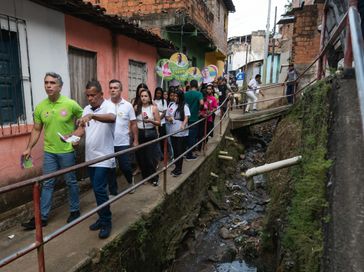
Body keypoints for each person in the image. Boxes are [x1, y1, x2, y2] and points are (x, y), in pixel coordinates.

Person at [21, 72, 83, 230]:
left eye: (52, 83)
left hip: (67, 150)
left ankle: (75, 210)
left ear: (60, 86)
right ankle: (42, 218)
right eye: (46, 82)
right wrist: (29, 147)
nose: (48, 86)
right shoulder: (41, 106)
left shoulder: (70, 104)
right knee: (47, 183)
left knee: (71, 181)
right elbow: (36, 130)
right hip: (49, 152)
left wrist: (76, 135)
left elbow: (84, 120)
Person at [76, 80, 116, 239]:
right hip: (90, 157)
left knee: (99, 188)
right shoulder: (86, 109)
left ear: (101, 94)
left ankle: (107, 222)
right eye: (88, 96)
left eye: (93, 95)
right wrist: (71, 137)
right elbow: (81, 129)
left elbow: (111, 118)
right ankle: (102, 217)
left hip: (104, 156)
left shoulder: (109, 106)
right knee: (97, 189)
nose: (90, 98)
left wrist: (93, 115)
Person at [108, 79, 138, 196]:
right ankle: (113, 191)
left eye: (115, 88)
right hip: (108, 142)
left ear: (121, 90)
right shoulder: (106, 104)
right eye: (111, 88)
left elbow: (134, 123)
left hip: (123, 142)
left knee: (125, 166)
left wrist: (135, 140)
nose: (113, 90)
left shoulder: (128, 106)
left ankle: (130, 182)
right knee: (110, 168)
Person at [134, 89, 161, 186]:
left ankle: (154, 178)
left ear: (149, 97)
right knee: (142, 157)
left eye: (145, 96)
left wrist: (151, 121)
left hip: (151, 133)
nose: (143, 98)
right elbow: (133, 122)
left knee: (150, 157)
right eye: (142, 96)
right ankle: (145, 177)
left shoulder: (153, 108)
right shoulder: (137, 108)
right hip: (140, 133)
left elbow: (159, 123)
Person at [166, 90, 190, 177]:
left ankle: (179, 169)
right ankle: (176, 167)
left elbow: (187, 117)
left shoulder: (184, 106)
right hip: (172, 132)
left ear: (180, 97)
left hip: (181, 133)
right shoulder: (172, 105)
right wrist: (169, 118)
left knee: (180, 151)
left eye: (176, 96)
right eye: (174, 96)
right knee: (175, 151)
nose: (175, 97)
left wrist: (183, 125)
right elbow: (167, 115)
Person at [184, 79, 204, 161]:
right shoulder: (199, 94)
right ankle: (189, 155)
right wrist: (199, 109)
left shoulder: (185, 94)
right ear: (197, 85)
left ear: (190, 85)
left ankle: (185, 152)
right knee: (192, 137)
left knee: (185, 135)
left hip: (185, 118)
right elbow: (202, 103)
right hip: (194, 118)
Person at [154, 87, 169, 161]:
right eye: (157, 93)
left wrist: (159, 118)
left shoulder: (164, 101)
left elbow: (164, 112)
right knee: (157, 139)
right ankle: (158, 154)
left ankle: (163, 154)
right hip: (155, 123)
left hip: (162, 123)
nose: (158, 95)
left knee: (162, 139)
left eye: (160, 93)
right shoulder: (153, 101)